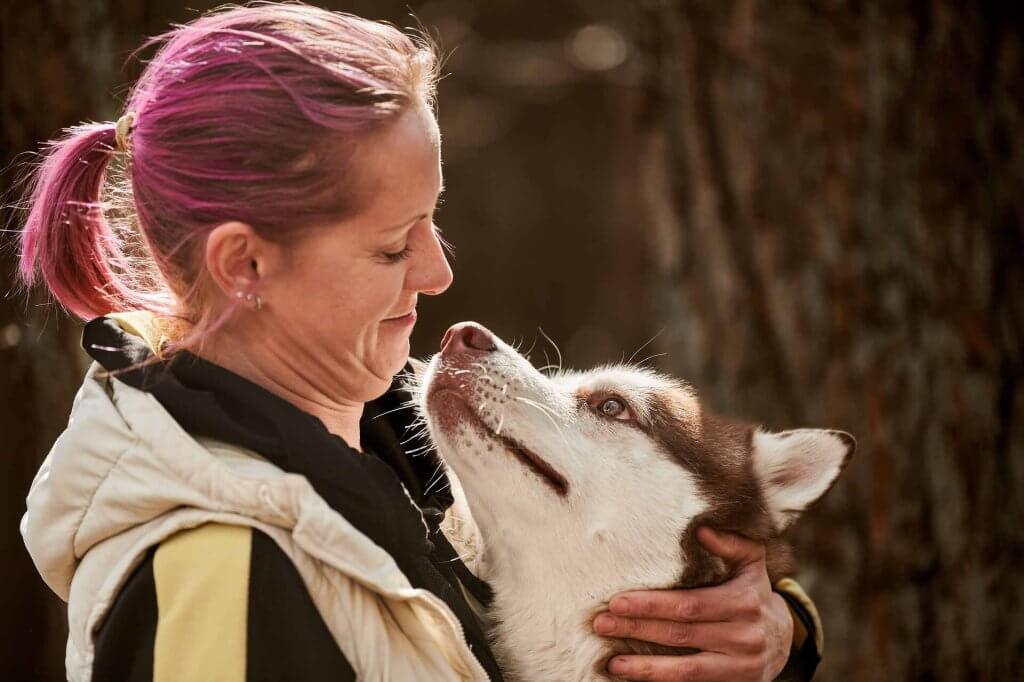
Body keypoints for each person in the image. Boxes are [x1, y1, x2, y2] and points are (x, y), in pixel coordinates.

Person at [16, 3, 822, 680]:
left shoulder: (393, 456)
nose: (437, 272)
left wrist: (772, 632)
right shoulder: (222, 574)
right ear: (245, 264)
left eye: (433, 220)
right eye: (393, 244)